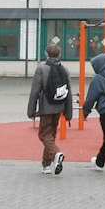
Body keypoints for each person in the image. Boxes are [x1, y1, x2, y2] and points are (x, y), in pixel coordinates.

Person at [27, 43, 72, 174]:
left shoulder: (41, 69)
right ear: (59, 54)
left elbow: (34, 92)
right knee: (50, 135)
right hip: (59, 107)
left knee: (43, 134)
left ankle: (56, 153)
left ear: (46, 54)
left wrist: (31, 111)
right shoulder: (65, 70)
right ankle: (46, 164)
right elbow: (68, 92)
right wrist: (68, 112)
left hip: (46, 108)